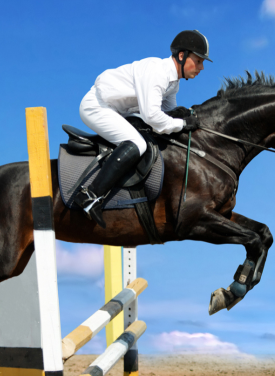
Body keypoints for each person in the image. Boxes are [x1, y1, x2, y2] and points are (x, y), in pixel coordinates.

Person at [74, 29, 212, 227]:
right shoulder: (158, 73)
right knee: (137, 143)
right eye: (198, 61)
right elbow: (154, 117)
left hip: (118, 110)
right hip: (96, 106)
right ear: (182, 56)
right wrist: (182, 123)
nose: (201, 67)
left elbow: (169, 112)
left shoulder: (173, 83)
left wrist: (187, 116)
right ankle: (90, 196)